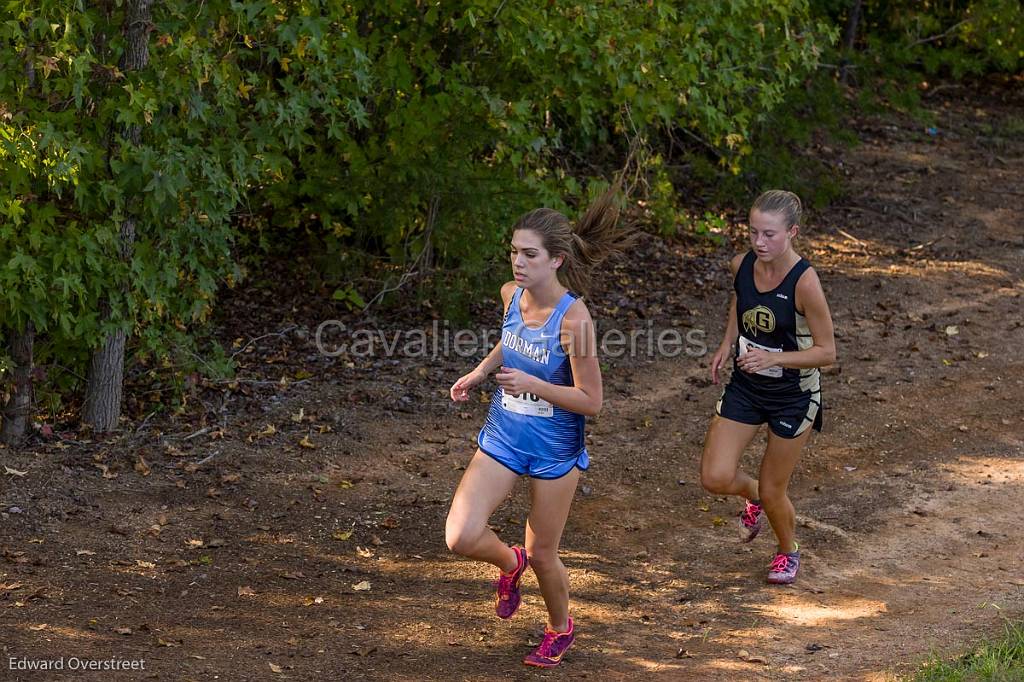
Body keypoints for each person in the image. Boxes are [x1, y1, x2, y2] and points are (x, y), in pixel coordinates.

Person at [445, 186, 627, 668]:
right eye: (513, 252)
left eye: (529, 254)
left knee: (544, 553)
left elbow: (593, 402)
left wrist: (532, 383)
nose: (517, 263)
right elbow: (510, 341)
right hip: (504, 436)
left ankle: (559, 628)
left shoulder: (576, 321)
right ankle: (509, 564)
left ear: (557, 260)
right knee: (460, 536)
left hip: (554, 452)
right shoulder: (511, 296)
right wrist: (480, 372)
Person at [700, 190, 836, 585]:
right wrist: (727, 343)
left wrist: (773, 358)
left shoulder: (805, 283)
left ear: (792, 232)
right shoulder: (742, 264)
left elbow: (827, 352)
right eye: (753, 232)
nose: (759, 243)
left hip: (793, 396)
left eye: (770, 235)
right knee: (715, 477)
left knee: (776, 490)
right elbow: (740, 302)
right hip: (746, 385)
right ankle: (756, 498)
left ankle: (787, 550)